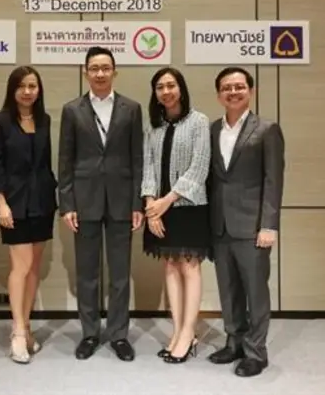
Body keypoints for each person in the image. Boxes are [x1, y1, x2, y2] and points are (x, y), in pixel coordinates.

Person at [58, 46, 144, 361]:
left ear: (114, 72)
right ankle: (90, 334)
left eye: (105, 68)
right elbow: (65, 160)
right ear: (86, 73)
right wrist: (67, 204)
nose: (100, 73)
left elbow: (137, 159)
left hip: (122, 201)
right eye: (94, 68)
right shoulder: (72, 110)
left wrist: (137, 203)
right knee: (87, 273)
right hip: (85, 200)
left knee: (120, 274)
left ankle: (119, 335)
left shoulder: (131, 108)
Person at [206, 67, 285, 378]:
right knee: (228, 290)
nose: (233, 92)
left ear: (250, 91)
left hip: (253, 226)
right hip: (219, 225)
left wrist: (269, 225)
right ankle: (234, 342)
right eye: (227, 87)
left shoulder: (267, 129)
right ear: (219, 95)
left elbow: (273, 180)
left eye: (239, 86)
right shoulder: (212, 129)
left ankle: (256, 352)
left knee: (255, 291)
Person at [140, 67, 212, 364]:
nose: (166, 91)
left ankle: (189, 332)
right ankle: (179, 330)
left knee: (189, 268)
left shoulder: (199, 121)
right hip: (159, 209)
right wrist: (151, 207)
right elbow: (147, 168)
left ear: (181, 89)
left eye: (171, 85)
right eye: (160, 87)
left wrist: (166, 201)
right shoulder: (153, 127)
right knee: (170, 266)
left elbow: (200, 167)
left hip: (188, 206)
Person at [0, 65, 57, 364]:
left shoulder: (44, 120)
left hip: (42, 201)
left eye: (33, 86)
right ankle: (16, 331)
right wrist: (0, 201)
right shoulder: (0, 121)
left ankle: (26, 326)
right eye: (22, 86)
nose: (27, 92)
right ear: (12, 89)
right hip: (13, 203)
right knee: (21, 266)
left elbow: (44, 163)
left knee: (34, 267)